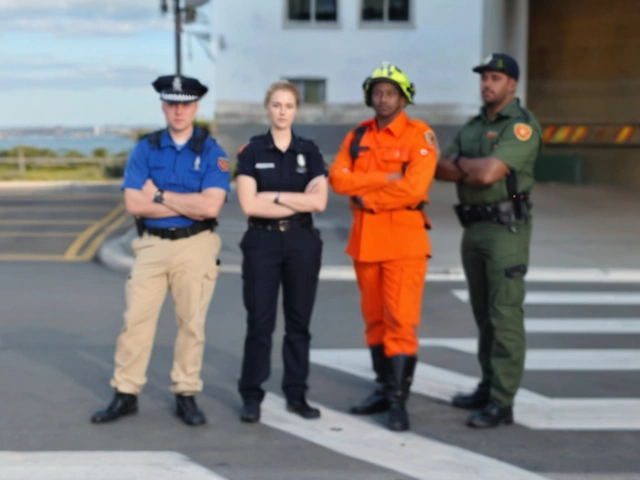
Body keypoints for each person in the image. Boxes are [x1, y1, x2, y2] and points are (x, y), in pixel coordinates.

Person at [91, 74, 230, 427]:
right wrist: (186, 202)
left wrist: (159, 194)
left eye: (185, 104)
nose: (179, 110)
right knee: (135, 322)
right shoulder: (145, 148)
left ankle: (186, 393)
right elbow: (133, 203)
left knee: (190, 324)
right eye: (172, 103)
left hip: (196, 245)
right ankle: (126, 393)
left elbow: (211, 208)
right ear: (163, 106)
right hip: (151, 246)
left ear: (195, 106)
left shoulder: (213, 151)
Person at [328, 63, 438, 432]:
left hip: (404, 242)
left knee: (400, 323)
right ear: (369, 96)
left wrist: (368, 199)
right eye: (377, 92)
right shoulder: (358, 134)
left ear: (404, 97)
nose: (383, 98)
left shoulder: (418, 135)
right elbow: (338, 179)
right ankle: (382, 389)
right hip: (365, 243)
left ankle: (397, 403)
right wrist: (381, 178)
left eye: (390, 92)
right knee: (374, 323)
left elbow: (414, 189)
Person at [435, 53, 541, 428]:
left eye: (495, 78)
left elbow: (489, 174)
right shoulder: (473, 126)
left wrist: (465, 166)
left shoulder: (522, 126)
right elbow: (439, 168)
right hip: (474, 228)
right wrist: (469, 167)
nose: (487, 84)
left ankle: (502, 400)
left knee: (504, 314)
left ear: (511, 84)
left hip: (505, 231)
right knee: (483, 315)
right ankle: (487, 384)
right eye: (484, 78)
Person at [235, 80, 328, 423]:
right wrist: (294, 200)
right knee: (259, 323)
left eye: (288, 106)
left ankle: (296, 394)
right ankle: (251, 395)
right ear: (267, 108)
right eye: (276, 105)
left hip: (302, 242)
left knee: (298, 324)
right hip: (262, 243)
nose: (282, 111)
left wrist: (272, 196)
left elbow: (319, 201)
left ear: (296, 110)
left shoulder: (310, 151)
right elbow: (248, 204)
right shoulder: (252, 151)